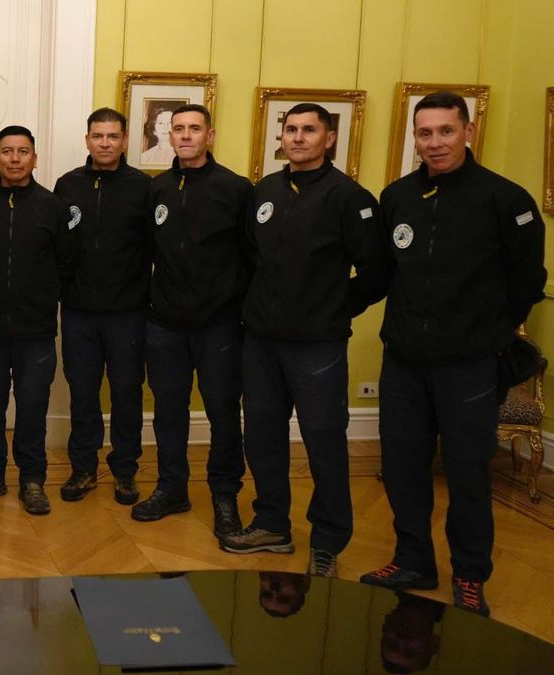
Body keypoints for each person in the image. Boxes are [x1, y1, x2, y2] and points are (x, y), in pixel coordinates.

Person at [360, 92, 546, 616]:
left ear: (467, 131)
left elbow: (527, 283)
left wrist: (483, 332)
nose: (435, 143)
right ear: (414, 138)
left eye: (445, 131)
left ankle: (469, 574)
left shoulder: (506, 200)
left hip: (469, 366)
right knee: (402, 466)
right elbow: (382, 274)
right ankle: (412, 559)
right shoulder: (396, 197)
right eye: (425, 133)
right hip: (404, 362)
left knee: (467, 472)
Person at [219, 103, 390, 579]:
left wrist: (334, 306)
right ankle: (272, 523)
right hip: (262, 342)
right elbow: (250, 259)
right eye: (290, 129)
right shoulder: (265, 191)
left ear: (329, 138)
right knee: (263, 436)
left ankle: (328, 540)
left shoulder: (350, 198)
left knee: (323, 442)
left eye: (308, 130)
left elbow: (377, 273)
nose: (297, 138)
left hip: (317, 345)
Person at [132, 104, 251, 539]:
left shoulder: (236, 189)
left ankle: (224, 495)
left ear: (210, 135)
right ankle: (172, 488)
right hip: (164, 323)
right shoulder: (157, 188)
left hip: (219, 324)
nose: (185, 136)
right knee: (168, 411)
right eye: (178, 128)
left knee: (222, 412)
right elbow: (146, 251)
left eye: (194, 129)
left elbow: (252, 256)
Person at [0, 125, 77, 515]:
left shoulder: (53, 207)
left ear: (34, 158)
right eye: (7, 151)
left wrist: (43, 302)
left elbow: (66, 265)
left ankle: (32, 480)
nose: (14, 158)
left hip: (36, 333)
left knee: (32, 408)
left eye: (23, 151)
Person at [53, 107, 151, 505]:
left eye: (113, 136)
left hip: (129, 312)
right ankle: (84, 468)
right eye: (98, 136)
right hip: (78, 311)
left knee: (127, 393)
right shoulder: (67, 185)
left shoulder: (144, 188)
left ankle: (125, 471)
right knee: (83, 393)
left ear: (125, 140)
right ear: (87, 140)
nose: (105, 143)